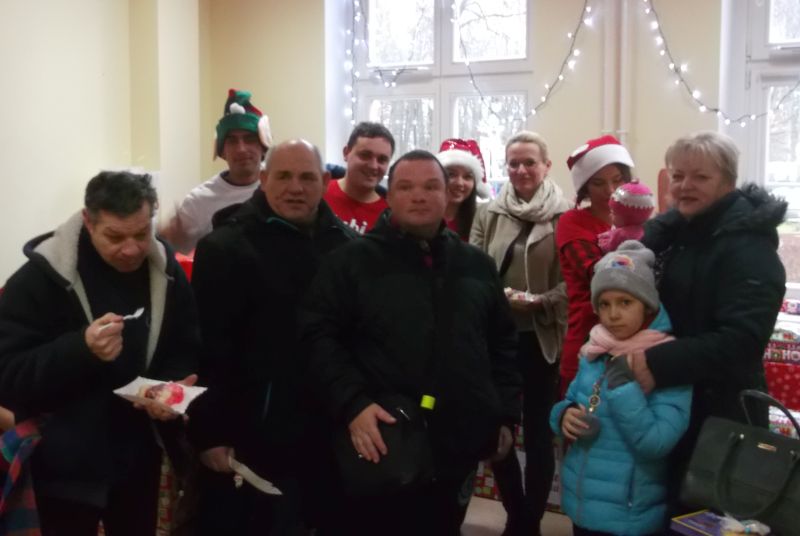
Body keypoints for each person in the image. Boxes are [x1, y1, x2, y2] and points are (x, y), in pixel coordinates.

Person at [302, 150, 521, 535]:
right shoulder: (350, 262)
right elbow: (319, 338)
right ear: (389, 196)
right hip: (384, 441)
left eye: (430, 186)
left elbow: (502, 344)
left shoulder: (476, 265)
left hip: (456, 443)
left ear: (447, 195)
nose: (419, 196)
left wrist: (504, 414)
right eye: (406, 187)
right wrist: (352, 403)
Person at [0, 171, 199, 535]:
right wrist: (81, 349)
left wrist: (169, 388)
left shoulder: (165, 270)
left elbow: (185, 344)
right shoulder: (40, 279)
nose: (131, 249)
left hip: (140, 458)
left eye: (142, 234)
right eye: (115, 237)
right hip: (63, 466)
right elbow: (8, 374)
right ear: (88, 222)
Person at [187, 139, 356, 534]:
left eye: (306, 177)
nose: (295, 187)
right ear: (263, 179)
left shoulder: (348, 249)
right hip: (253, 435)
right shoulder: (224, 248)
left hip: (328, 432)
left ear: (325, 181)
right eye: (283, 176)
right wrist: (209, 433)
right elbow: (207, 349)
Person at [631, 131, 786, 506]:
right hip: (676, 401)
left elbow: (742, 341)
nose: (685, 185)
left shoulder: (748, 246)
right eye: (678, 175)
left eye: (700, 176)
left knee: (704, 516)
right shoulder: (681, 233)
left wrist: (657, 361)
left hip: (720, 414)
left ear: (727, 182)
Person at [550, 240, 691, 535]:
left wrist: (623, 387)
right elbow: (572, 399)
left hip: (630, 513)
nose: (613, 314)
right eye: (604, 304)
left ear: (647, 305)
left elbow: (657, 442)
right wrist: (563, 415)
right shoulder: (596, 349)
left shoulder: (666, 359)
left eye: (625, 302)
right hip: (581, 505)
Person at [469, 131, 570, 536]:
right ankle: (516, 515)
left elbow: (571, 282)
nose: (522, 170)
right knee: (499, 431)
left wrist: (541, 301)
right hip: (498, 340)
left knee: (540, 435)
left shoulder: (564, 215)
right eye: (514, 163)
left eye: (530, 162)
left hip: (542, 338)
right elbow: (474, 269)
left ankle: (531, 520)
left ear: (546, 165)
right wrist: (499, 298)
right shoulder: (489, 212)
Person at [557, 135, 635, 391]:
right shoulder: (572, 222)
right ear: (585, 188)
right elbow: (599, 277)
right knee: (583, 413)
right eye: (598, 183)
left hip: (633, 346)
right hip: (587, 342)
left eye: (617, 180)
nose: (610, 190)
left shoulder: (637, 223)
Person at [160, 88, 273, 253]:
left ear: (263, 147)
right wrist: (169, 239)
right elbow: (171, 249)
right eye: (232, 141)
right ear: (222, 152)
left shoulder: (280, 187)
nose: (241, 149)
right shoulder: (199, 201)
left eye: (249, 139)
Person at [323, 121, 395, 233]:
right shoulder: (319, 193)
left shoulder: (389, 217)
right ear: (346, 153)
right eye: (365, 155)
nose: (373, 166)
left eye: (382, 159)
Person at [436, 138, 491, 240]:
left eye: (467, 177)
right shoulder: (424, 216)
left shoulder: (484, 219)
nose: (460, 183)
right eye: (451, 174)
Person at [598, 180, 655, 253]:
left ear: (629, 218)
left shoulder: (622, 234)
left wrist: (602, 241)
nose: (610, 215)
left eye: (613, 213)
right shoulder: (649, 229)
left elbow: (607, 247)